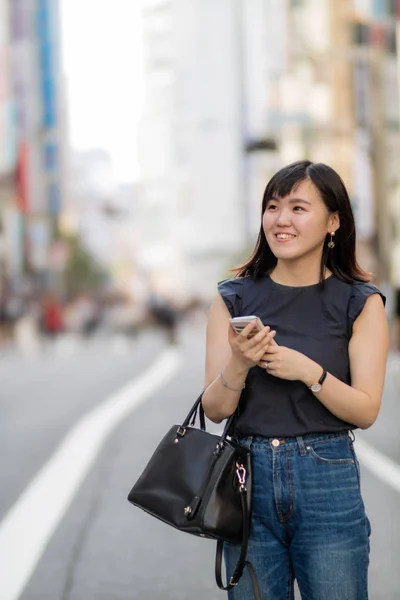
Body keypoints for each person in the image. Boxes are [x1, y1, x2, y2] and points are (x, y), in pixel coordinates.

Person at [202, 160, 389, 600]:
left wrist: (310, 373)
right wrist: (239, 363)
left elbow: (366, 411)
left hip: (327, 477)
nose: (281, 219)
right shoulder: (232, 298)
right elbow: (214, 409)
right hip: (247, 476)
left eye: (298, 208)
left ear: (333, 222)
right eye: (272, 206)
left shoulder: (361, 304)